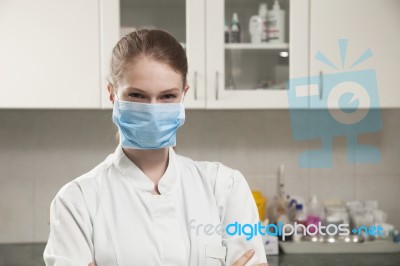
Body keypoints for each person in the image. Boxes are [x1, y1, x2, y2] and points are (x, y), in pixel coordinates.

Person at [43, 29, 268, 266]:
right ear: (112, 93)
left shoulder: (224, 187)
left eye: (167, 96)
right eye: (137, 95)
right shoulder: (77, 201)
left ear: (184, 94)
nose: (152, 110)